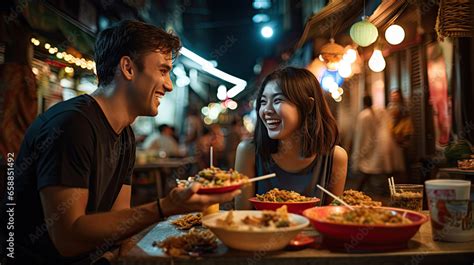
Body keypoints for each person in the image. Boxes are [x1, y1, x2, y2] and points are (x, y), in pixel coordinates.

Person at [1, 20, 240, 265]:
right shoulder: (72, 125)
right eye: (162, 70)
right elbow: (68, 238)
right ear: (127, 67)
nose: (168, 85)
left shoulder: (125, 134)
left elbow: (118, 222)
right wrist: (165, 207)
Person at [234, 67, 347, 209]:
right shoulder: (248, 152)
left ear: (308, 106)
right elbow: (240, 220)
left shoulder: (335, 157)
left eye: (277, 100)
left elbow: (332, 220)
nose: (267, 110)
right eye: (263, 102)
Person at [351, 96, 387, 191]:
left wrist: (358, 150)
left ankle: (359, 190)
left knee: (366, 171)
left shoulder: (363, 115)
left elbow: (360, 134)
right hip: (375, 146)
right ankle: (375, 189)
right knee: (370, 170)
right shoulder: (378, 113)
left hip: (365, 145)